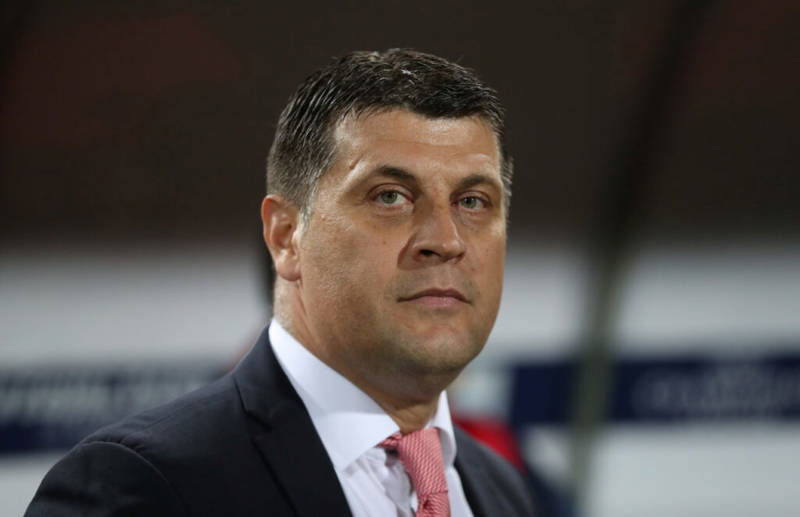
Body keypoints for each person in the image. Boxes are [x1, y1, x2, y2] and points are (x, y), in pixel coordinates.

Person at [26, 49, 536, 516]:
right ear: (286, 236)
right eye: (390, 196)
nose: (446, 240)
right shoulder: (141, 484)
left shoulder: (498, 489)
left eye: (473, 202)